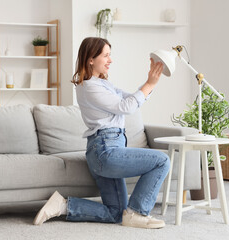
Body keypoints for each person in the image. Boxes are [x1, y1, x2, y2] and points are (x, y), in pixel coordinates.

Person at [33, 37, 170, 229]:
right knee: (162, 161)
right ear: (90, 59)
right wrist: (150, 83)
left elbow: (132, 99)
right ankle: (137, 213)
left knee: (115, 213)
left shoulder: (103, 84)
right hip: (106, 151)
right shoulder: (89, 87)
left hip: (106, 149)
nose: (110, 60)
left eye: (109, 55)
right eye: (106, 55)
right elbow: (126, 107)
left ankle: (63, 205)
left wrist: (151, 82)